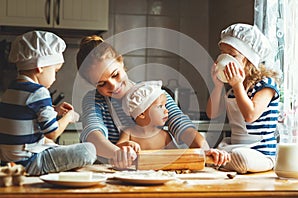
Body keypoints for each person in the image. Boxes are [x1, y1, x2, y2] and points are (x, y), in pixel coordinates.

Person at [76, 35, 230, 169]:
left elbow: (181, 125)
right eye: (101, 84)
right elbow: (93, 135)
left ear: (121, 63)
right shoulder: (94, 100)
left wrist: (205, 150)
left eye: (115, 75)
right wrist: (119, 154)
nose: (113, 86)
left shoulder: (153, 93)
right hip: (110, 174)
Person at [0, 31, 96, 176]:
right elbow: (52, 133)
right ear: (40, 67)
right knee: (88, 150)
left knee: (50, 146)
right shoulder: (39, 92)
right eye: (55, 71)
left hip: (8, 162)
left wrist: (54, 111)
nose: (55, 77)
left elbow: (27, 113)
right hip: (30, 162)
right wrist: (68, 117)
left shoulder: (11, 89)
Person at [206, 23, 281, 174]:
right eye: (222, 54)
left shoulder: (266, 85)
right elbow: (212, 114)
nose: (225, 59)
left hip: (260, 154)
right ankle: (220, 160)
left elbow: (250, 115)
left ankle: (219, 161)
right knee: (220, 152)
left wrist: (237, 85)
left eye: (232, 55)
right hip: (234, 147)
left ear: (249, 59)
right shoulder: (233, 90)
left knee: (241, 158)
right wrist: (218, 86)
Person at [117, 80, 178, 151]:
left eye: (165, 106)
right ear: (142, 114)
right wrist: (126, 144)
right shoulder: (129, 133)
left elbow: (176, 154)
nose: (166, 110)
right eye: (160, 106)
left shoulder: (165, 135)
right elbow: (117, 148)